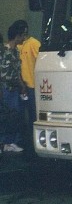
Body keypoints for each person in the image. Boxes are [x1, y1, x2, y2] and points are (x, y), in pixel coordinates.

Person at [0, 21, 28, 152]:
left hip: (15, 89)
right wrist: (20, 84)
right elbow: (5, 75)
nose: (24, 38)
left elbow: (17, 70)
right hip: (7, 89)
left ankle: (12, 141)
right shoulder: (6, 52)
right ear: (17, 36)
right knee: (8, 116)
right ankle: (6, 142)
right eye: (23, 35)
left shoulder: (16, 51)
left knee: (15, 116)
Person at [16, 20, 40, 125]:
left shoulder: (34, 43)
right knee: (19, 114)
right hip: (20, 85)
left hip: (32, 86)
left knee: (33, 115)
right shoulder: (17, 45)